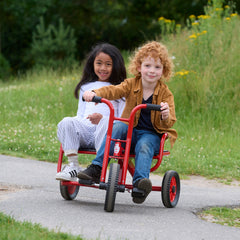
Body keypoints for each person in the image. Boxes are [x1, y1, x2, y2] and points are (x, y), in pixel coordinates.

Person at [78, 41, 177, 204]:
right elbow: (113, 90)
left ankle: (140, 183)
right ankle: (97, 167)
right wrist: (95, 92)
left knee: (144, 145)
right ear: (139, 67)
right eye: (147, 66)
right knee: (117, 125)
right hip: (129, 130)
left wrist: (165, 114)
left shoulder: (166, 94)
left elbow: (170, 121)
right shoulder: (131, 84)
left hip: (151, 135)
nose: (152, 71)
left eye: (157, 67)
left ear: (163, 71)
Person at [56, 43, 126, 181]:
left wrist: (102, 118)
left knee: (107, 121)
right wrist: (75, 125)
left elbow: (121, 119)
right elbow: (80, 114)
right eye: (99, 63)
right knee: (67, 121)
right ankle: (73, 165)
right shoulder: (86, 87)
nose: (102, 68)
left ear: (115, 66)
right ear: (92, 63)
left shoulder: (120, 89)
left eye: (108, 64)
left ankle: (99, 166)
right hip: (85, 130)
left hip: (104, 134)